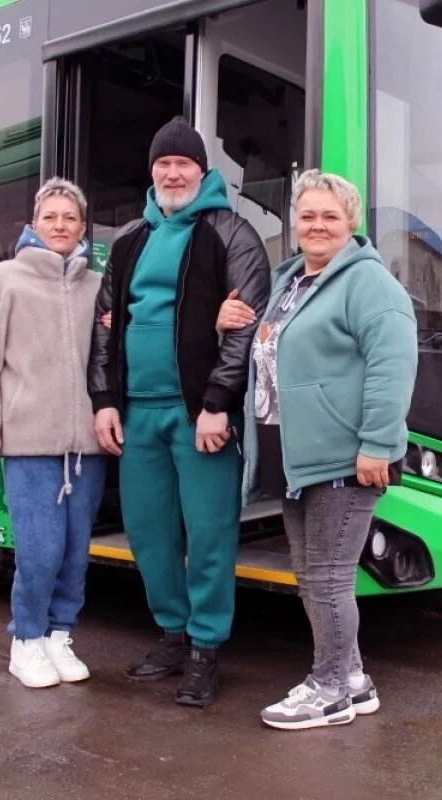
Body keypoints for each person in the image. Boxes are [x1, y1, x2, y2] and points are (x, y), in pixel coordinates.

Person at [221, 170, 417, 730]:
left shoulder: (369, 285)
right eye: (307, 215)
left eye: (330, 216)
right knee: (311, 574)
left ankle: (327, 689)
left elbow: (393, 366)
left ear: (351, 223)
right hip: (295, 455)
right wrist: (230, 323)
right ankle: (352, 679)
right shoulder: (290, 282)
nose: (317, 225)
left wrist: (378, 444)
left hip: (344, 456)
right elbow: (270, 355)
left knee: (328, 577)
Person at [87, 116, 270, 708]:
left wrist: (218, 403)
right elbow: (106, 327)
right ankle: (171, 633)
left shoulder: (232, 233)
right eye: (163, 164)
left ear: (202, 171)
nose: (172, 173)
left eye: (183, 164)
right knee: (147, 531)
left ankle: (204, 650)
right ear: (153, 173)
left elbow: (247, 328)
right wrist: (104, 400)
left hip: (200, 417)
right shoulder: (129, 240)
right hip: (137, 414)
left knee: (210, 533)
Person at [0, 178, 106, 689]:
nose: (60, 226)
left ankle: (59, 635)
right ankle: (26, 638)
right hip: (28, 445)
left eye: (70, 218)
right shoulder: (5, 279)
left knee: (74, 552)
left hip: (85, 448)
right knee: (39, 550)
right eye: (51, 217)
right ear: (34, 225)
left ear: (83, 228)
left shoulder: (95, 284)